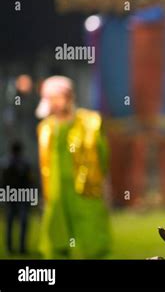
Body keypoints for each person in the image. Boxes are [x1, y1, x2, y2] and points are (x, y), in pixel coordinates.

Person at [36, 76, 111, 258]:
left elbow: (102, 155)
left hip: (85, 188)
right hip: (56, 191)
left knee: (92, 236)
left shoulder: (90, 122)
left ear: (67, 97)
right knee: (56, 236)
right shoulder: (46, 127)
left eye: (55, 98)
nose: (52, 105)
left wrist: (102, 182)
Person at [0, 141, 33, 254]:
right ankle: (19, 248)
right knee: (21, 222)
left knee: (11, 222)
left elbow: (3, 182)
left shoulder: (6, 162)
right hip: (20, 195)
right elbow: (30, 181)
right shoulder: (23, 163)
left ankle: (12, 247)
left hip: (11, 195)